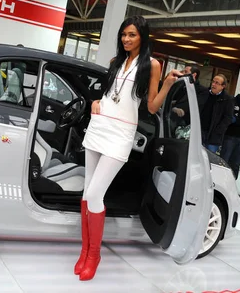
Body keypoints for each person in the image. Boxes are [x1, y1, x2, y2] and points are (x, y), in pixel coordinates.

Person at [74, 15, 180, 281]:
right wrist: (96, 101)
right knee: (88, 193)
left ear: (142, 36)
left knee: (97, 192)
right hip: (100, 126)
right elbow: (109, 94)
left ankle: (95, 255)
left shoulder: (152, 65)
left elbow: (152, 107)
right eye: (124, 34)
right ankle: (84, 251)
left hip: (121, 132)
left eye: (132, 34)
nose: (126, 39)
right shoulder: (115, 62)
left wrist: (167, 84)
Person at [197, 74, 234, 154]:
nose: (213, 84)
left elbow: (228, 118)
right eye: (213, 82)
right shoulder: (204, 93)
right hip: (198, 131)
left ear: (223, 86)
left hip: (214, 136)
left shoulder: (227, 99)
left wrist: (218, 131)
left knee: (209, 159)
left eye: (217, 83)